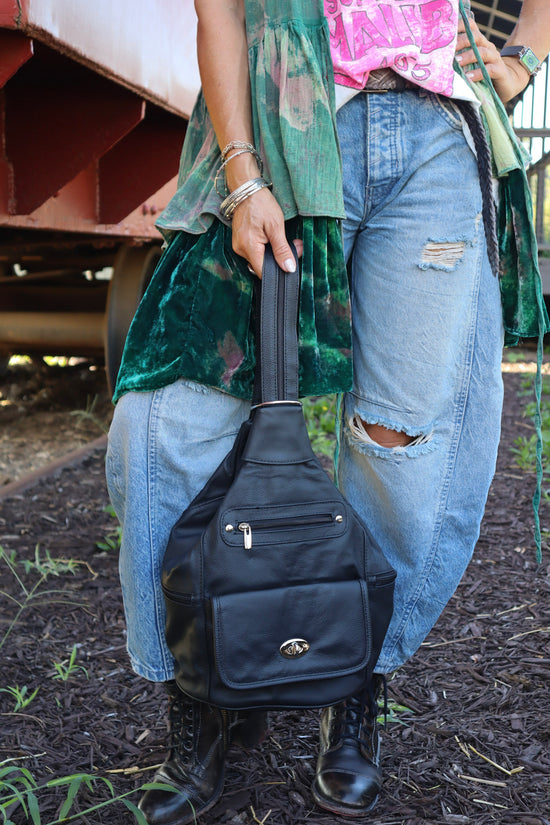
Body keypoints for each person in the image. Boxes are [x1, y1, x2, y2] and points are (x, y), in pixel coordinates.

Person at [105, 1, 550, 822]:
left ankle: (352, 682)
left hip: (436, 141)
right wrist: (242, 174)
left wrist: (525, 53)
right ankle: (206, 688)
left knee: (402, 443)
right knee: (168, 422)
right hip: (280, 119)